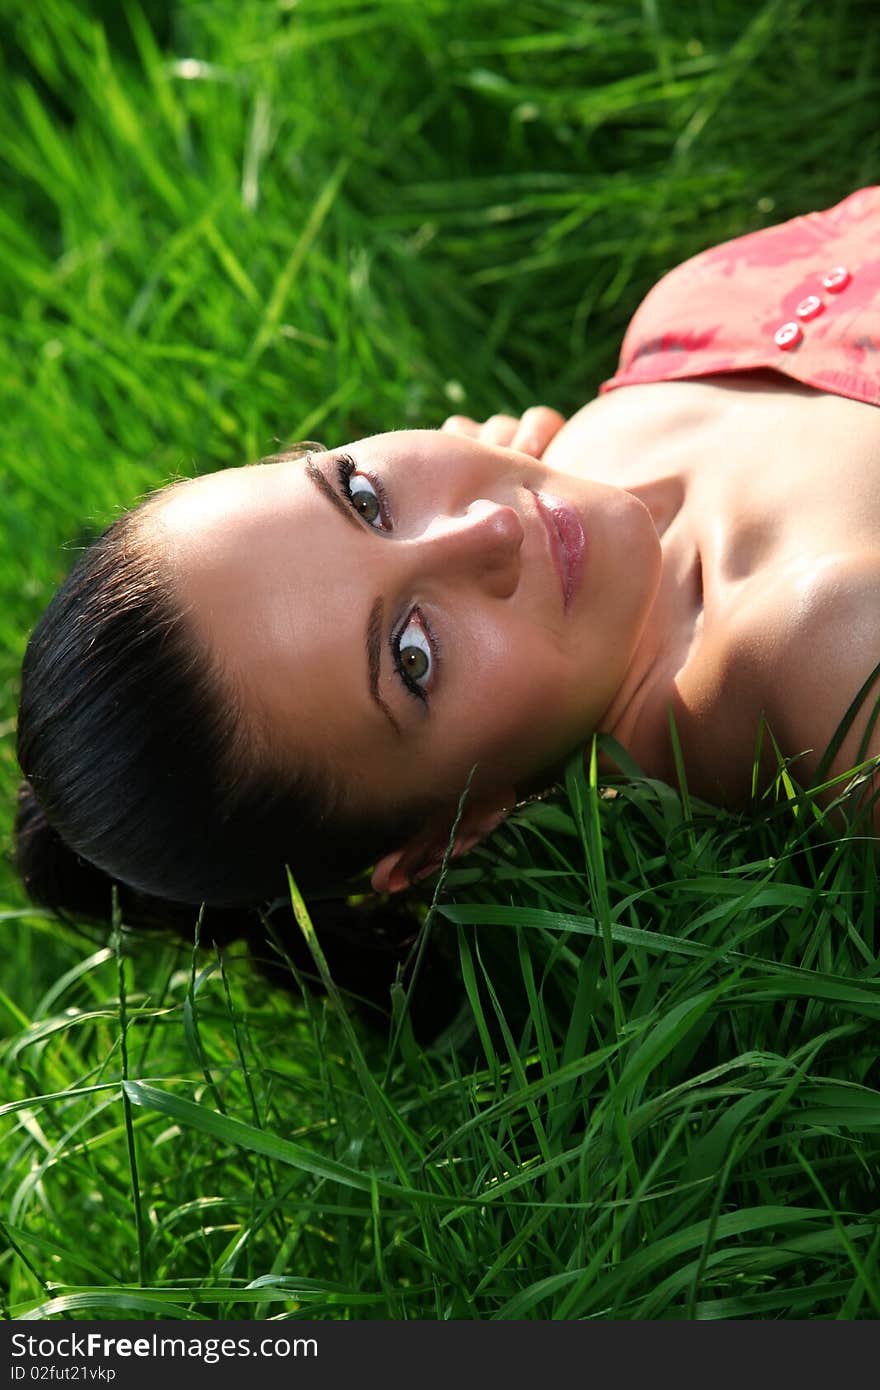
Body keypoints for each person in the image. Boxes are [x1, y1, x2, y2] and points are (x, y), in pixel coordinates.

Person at [14, 187, 880, 1004]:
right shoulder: (830, 650)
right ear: (445, 838)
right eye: (414, 657)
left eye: (360, 495)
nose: (487, 532)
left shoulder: (632, 393)